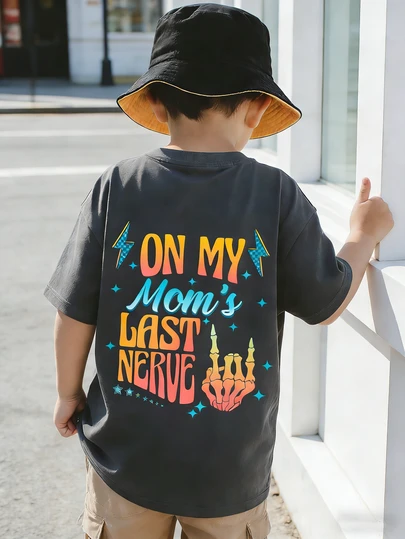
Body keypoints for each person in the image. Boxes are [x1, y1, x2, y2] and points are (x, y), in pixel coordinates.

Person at [43, 4, 394, 539]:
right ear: (257, 109)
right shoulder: (274, 194)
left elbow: (74, 312)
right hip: (228, 470)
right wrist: (363, 235)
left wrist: (69, 393)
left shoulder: (118, 187)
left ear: (156, 102)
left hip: (126, 462)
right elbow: (326, 299)